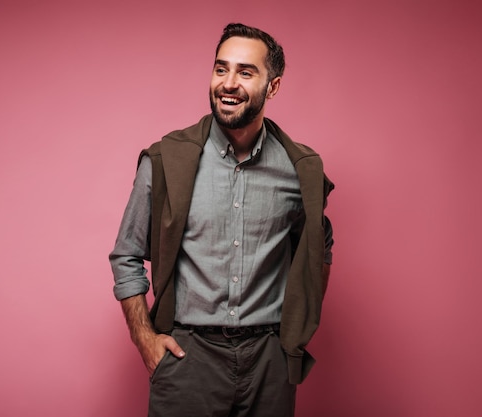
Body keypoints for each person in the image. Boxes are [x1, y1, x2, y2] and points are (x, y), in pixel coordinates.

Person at [109, 22, 335, 417]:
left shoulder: (299, 169)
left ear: (273, 86)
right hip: (188, 357)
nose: (228, 83)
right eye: (220, 69)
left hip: (270, 360)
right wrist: (146, 340)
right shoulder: (166, 160)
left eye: (245, 72)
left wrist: (293, 337)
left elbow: (318, 249)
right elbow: (126, 256)